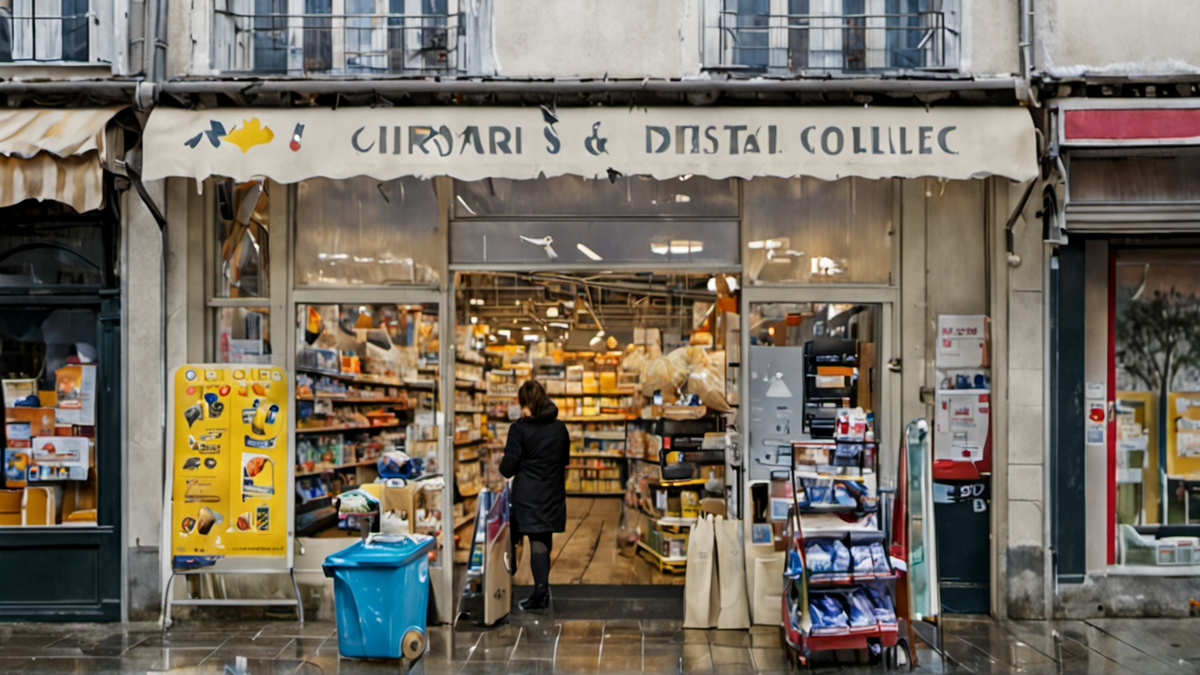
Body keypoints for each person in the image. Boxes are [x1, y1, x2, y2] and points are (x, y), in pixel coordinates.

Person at [499, 379, 570, 611]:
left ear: (525, 403)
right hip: (553, 491)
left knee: (536, 540)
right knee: (544, 538)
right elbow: (565, 460)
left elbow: (507, 468)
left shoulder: (519, 429)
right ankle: (543, 589)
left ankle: (540, 592)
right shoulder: (559, 428)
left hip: (528, 494)